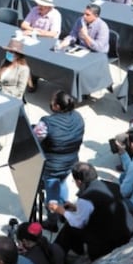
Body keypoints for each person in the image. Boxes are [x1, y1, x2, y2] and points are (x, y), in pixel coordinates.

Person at [51, 162, 133, 261]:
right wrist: (75, 208)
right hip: (128, 228)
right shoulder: (111, 184)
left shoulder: (86, 198)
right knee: (72, 219)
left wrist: (61, 211)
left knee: (69, 227)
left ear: (78, 181)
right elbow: (99, 208)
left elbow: (78, 223)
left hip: (112, 241)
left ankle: (55, 257)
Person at [34, 91, 85, 228]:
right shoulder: (78, 117)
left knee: (51, 193)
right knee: (62, 183)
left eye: (52, 101)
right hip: (71, 162)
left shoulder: (47, 123)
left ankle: (52, 221)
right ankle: (64, 212)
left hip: (52, 166)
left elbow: (35, 140)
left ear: (57, 106)